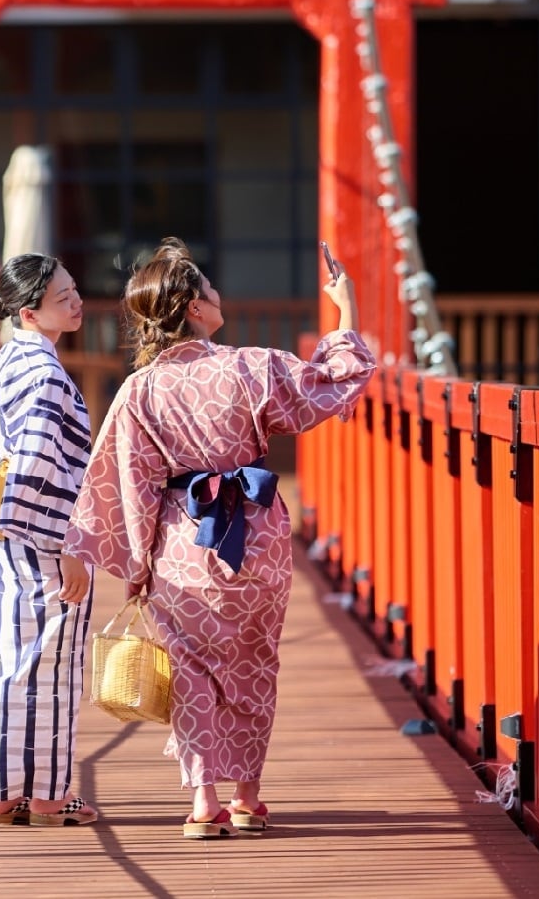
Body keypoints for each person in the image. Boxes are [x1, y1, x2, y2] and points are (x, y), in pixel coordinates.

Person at [72, 238, 373, 839]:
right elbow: (331, 385)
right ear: (192, 309)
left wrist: (135, 567)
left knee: (192, 670)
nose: (218, 296)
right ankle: (248, 798)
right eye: (208, 290)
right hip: (256, 540)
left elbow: (127, 485)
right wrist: (346, 314)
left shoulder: (139, 391)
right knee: (255, 664)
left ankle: (203, 803)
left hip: (182, 545)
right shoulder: (252, 365)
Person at [0, 253, 100, 828]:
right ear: (29, 312)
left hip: (2, 525)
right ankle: (48, 795)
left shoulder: (9, 362)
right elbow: (38, 464)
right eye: (63, 297)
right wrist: (68, 545)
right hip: (38, 531)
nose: (77, 302)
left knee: (5, 656)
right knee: (49, 660)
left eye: (75, 290)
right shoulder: (45, 375)